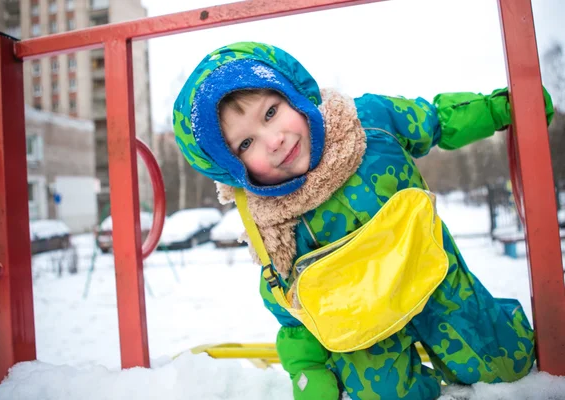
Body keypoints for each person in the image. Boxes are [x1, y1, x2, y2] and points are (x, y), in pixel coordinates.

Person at [172, 41, 554, 400]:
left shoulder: (367, 123)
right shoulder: (273, 223)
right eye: (246, 144)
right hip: (361, 322)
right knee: (381, 390)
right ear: (233, 169)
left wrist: (499, 109)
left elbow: (434, 120)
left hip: (431, 273)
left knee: (502, 363)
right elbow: (291, 306)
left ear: (294, 93)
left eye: (271, 113)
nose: (273, 141)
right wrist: (309, 370)